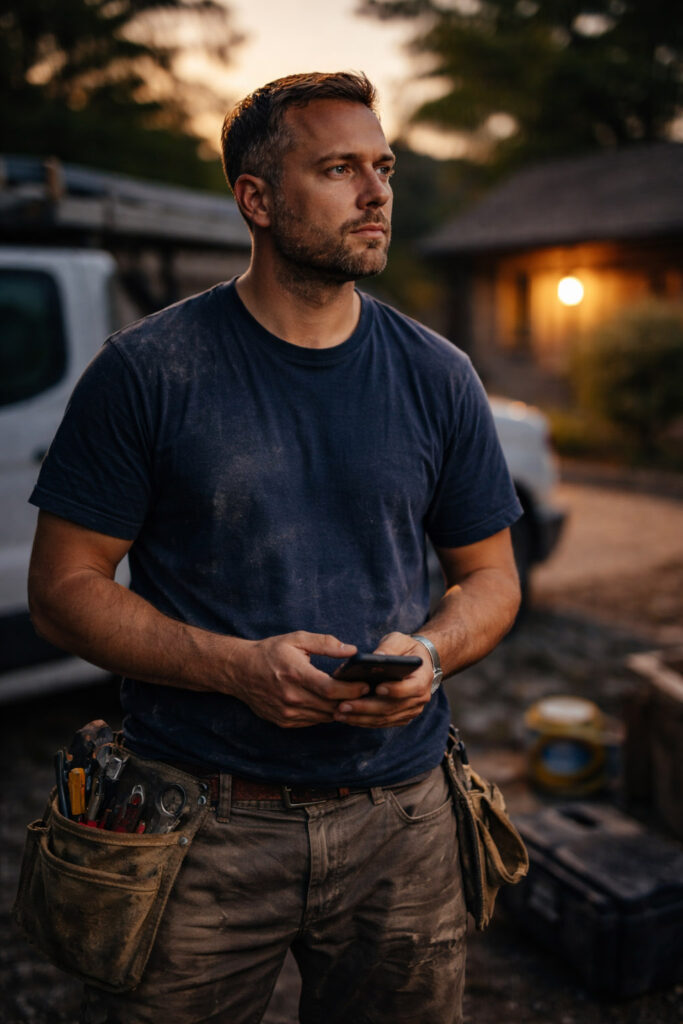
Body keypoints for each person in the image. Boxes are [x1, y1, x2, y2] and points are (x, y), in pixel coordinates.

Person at [27, 71, 522, 1024]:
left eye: (381, 167)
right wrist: (238, 669)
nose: (377, 193)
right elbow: (63, 588)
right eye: (338, 169)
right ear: (255, 199)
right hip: (202, 826)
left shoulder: (437, 374)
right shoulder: (148, 371)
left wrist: (429, 653)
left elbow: (490, 576)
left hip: (403, 818)